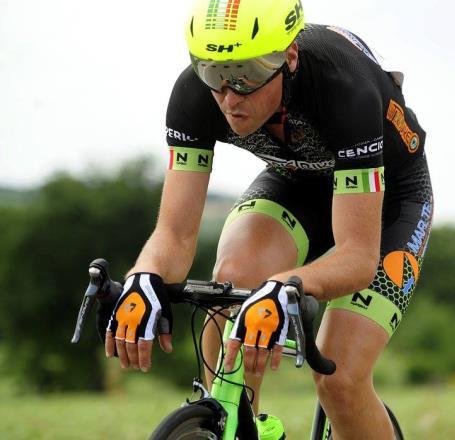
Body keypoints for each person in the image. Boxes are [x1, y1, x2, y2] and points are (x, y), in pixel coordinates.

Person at [103, 0, 433, 438]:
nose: (229, 96)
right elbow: (175, 233)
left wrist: (286, 286)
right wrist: (144, 277)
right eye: (214, 73)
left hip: (389, 198)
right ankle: (239, 425)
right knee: (232, 282)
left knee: (340, 376)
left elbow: (356, 257)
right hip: (296, 181)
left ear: (289, 56)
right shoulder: (194, 96)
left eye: (246, 76)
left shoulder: (343, 89)